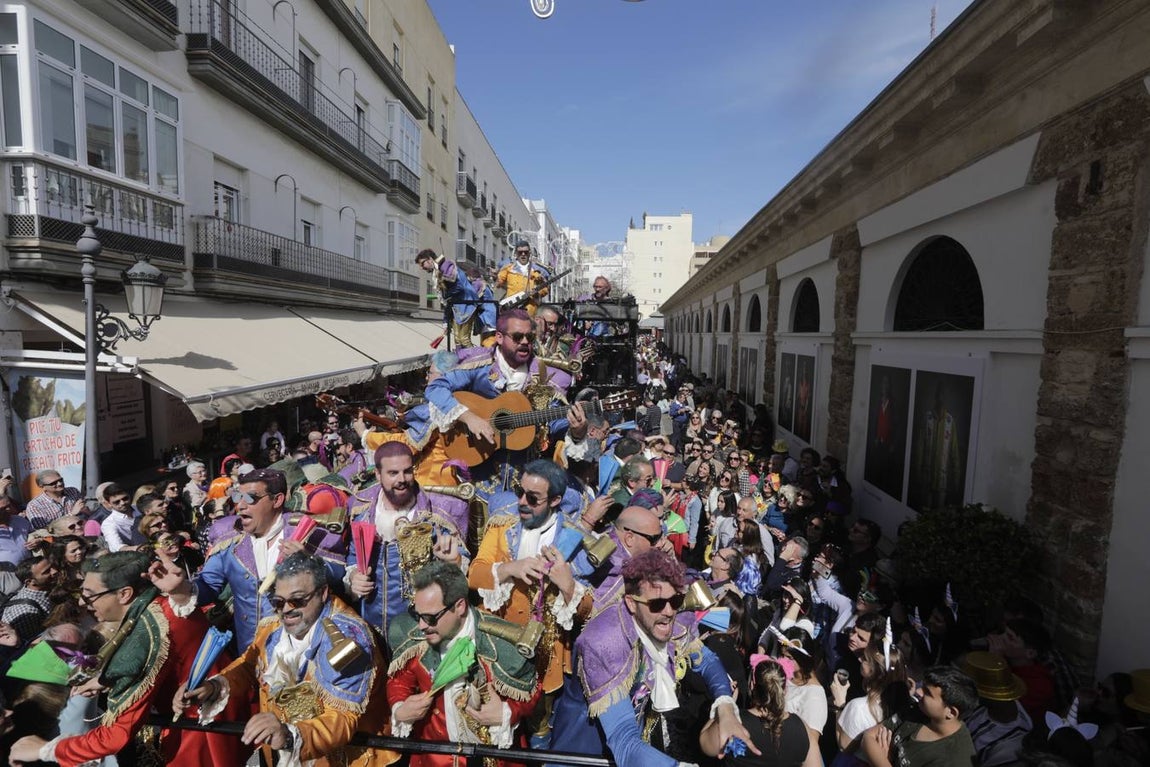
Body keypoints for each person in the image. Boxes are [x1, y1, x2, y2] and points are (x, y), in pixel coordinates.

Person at [9, 550, 243, 766]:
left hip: (197, 736)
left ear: (124, 594)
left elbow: (114, 736)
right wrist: (105, 680)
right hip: (221, 714)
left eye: (89, 596)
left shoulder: (144, 643)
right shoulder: (159, 605)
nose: (82, 603)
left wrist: (45, 749)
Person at [178, 552, 390, 767]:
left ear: (323, 593)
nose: (287, 610)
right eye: (278, 602)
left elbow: (343, 718)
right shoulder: (272, 629)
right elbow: (249, 666)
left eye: (297, 600)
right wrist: (213, 687)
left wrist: (289, 736)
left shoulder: (348, 640)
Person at [549, 548, 755, 767]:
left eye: (675, 600)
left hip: (637, 753)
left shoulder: (669, 617)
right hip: (584, 753)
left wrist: (725, 706)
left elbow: (707, 661)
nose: (668, 611)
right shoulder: (604, 641)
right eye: (657, 604)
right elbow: (624, 740)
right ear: (631, 603)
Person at [468, 459, 593, 743]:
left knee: (539, 729)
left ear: (555, 500)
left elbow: (587, 611)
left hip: (545, 656)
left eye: (533, 498)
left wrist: (568, 585)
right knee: (489, 724)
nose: (522, 502)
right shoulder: (503, 524)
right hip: (495, 647)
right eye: (519, 492)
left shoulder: (575, 538)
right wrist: (510, 568)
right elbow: (474, 576)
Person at [386, 561, 542, 766]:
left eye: (430, 618)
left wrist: (507, 712)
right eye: (417, 615)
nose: (422, 625)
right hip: (435, 757)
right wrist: (400, 708)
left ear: (460, 606)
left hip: (493, 758)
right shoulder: (413, 635)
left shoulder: (502, 641)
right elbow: (398, 681)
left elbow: (530, 689)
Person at [194, 468, 346, 649]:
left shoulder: (308, 530)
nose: (240, 506)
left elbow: (339, 577)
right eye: (237, 497)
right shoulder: (230, 537)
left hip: (303, 648)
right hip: (251, 651)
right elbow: (208, 585)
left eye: (250, 498)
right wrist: (182, 588)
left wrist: (309, 562)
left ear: (277, 500)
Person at [344, 442, 469, 639]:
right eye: (393, 473)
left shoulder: (439, 514)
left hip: (419, 625)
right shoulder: (360, 508)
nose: (402, 480)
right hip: (369, 621)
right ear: (378, 474)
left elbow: (460, 570)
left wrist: (454, 562)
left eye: (407, 471)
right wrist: (353, 577)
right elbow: (352, 555)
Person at [700, 656, 814, 767]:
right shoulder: (802, 727)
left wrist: (726, 705)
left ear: (751, 685)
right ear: (785, 690)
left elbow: (705, 744)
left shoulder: (735, 722)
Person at [861, 666, 979, 767]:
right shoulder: (919, 711)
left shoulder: (954, 760)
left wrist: (883, 760)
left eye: (927, 692)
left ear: (951, 712)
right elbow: (868, 737)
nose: (918, 691)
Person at [417, 247, 487, 347]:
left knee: (464, 339)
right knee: (457, 339)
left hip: (467, 304)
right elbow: (447, 299)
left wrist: (445, 296)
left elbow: (459, 287)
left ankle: (476, 357)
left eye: (422, 263)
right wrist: (446, 321)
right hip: (457, 307)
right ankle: (461, 356)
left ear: (430, 259)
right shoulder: (439, 270)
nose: (421, 267)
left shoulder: (446, 267)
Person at [0, 556, 56, 644]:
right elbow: (31, 643)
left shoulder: (46, 590)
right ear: (30, 582)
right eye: (46, 572)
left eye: (52, 567)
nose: (54, 571)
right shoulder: (28, 611)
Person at [496, 242, 549, 315]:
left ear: (529, 253)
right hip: (512, 309)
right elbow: (498, 286)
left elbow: (545, 289)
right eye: (520, 252)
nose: (523, 254)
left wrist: (537, 293)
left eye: (526, 252)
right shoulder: (508, 269)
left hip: (529, 311)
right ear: (516, 253)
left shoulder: (539, 271)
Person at [0, 490, 31, 570]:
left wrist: (37, 540)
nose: (8, 509)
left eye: (9, 505)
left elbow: (34, 535)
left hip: (30, 569)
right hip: (6, 574)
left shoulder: (20, 520)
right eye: (3, 508)